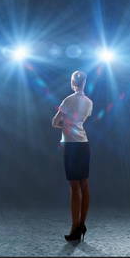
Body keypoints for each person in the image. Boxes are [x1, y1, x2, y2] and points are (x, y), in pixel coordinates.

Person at [52, 70, 93, 242]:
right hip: (84, 145)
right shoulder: (89, 102)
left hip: (71, 146)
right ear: (84, 83)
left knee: (74, 187)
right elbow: (81, 121)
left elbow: (54, 122)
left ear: (72, 82)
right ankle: (81, 224)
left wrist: (65, 125)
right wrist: (72, 124)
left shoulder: (68, 100)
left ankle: (75, 226)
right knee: (84, 184)